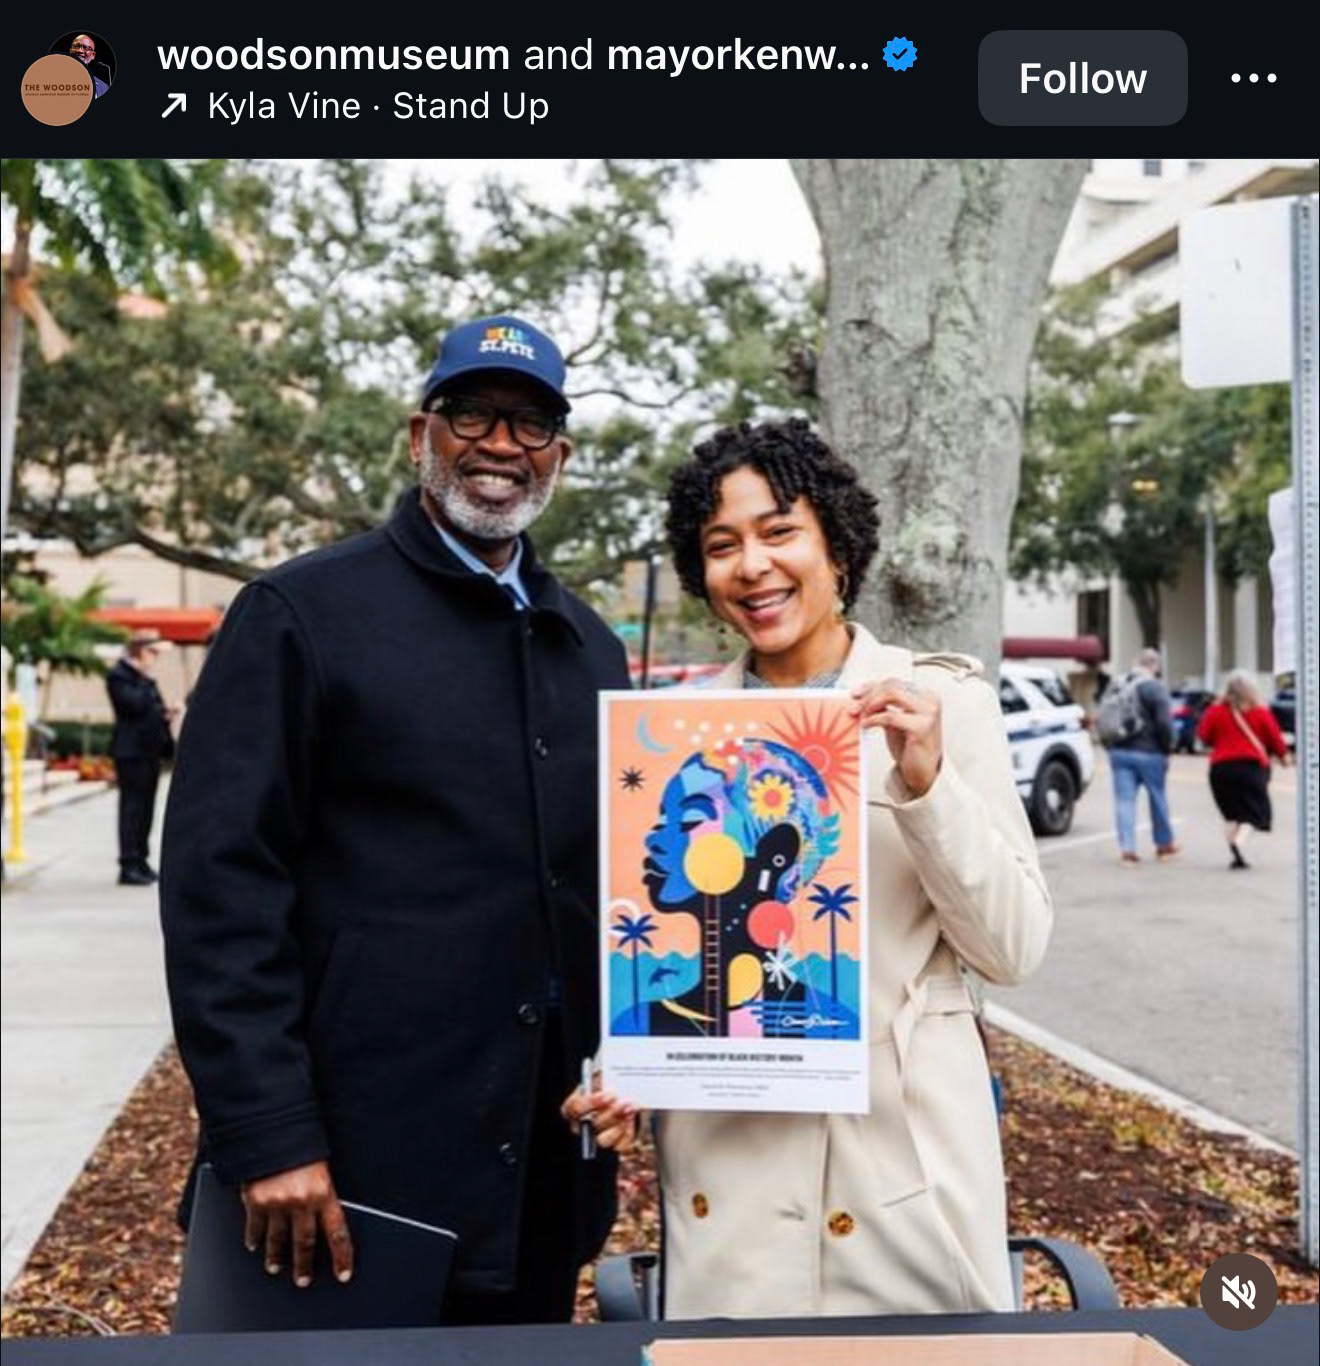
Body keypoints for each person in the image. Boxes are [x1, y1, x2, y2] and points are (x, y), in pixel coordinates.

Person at [159, 314, 629, 1325]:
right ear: (421, 431)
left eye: (532, 422)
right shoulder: (299, 614)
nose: (502, 444)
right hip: (348, 1172)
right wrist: (268, 1129)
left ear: (562, 453)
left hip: (537, 1177)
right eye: (474, 413)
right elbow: (219, 891)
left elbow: (612, 897)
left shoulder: (590, 645)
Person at [566, 418, 1053, 1318]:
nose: (752, 565)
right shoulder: (673, 735)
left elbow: (1013, 950)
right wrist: (624, 1069)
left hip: (905, 1197)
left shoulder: (941, 703)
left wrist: (927, 781)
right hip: (729, 1206)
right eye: (721, 546)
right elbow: (646, 951)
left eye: (779, 531)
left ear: (838, 544)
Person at [1196, 669, 1291, 869]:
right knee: (1255, 813)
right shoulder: (1260, 712)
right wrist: (1284, 757)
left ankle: (1234, 851)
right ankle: (1239, 843)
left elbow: (1203, 736)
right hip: (1251, 768)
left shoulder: (1215, 711)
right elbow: (1275, 739)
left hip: (1220, 769)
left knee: (1231, 813)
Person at [106, 628, 177, 886]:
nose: (154, 659)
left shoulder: (146, 681)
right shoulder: (121, 676)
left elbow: (153, 708)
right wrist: (142, 679)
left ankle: (141, 859)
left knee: (146, 809)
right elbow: (133, 705)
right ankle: (128, 862)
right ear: (140, 652)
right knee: (132, 809)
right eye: (152, 652)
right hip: (130, 752)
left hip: (149, 751)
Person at [1105, 647, 1178, 866]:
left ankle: (1128, 850)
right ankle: (1164, 845)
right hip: (1150, 752)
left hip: (1119, 751)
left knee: (1124, 801)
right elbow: (1165, 723)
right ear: (1154, 666)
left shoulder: (1117, 684)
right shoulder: (1155, 687)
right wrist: (1167, 748)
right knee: (1157, 798)